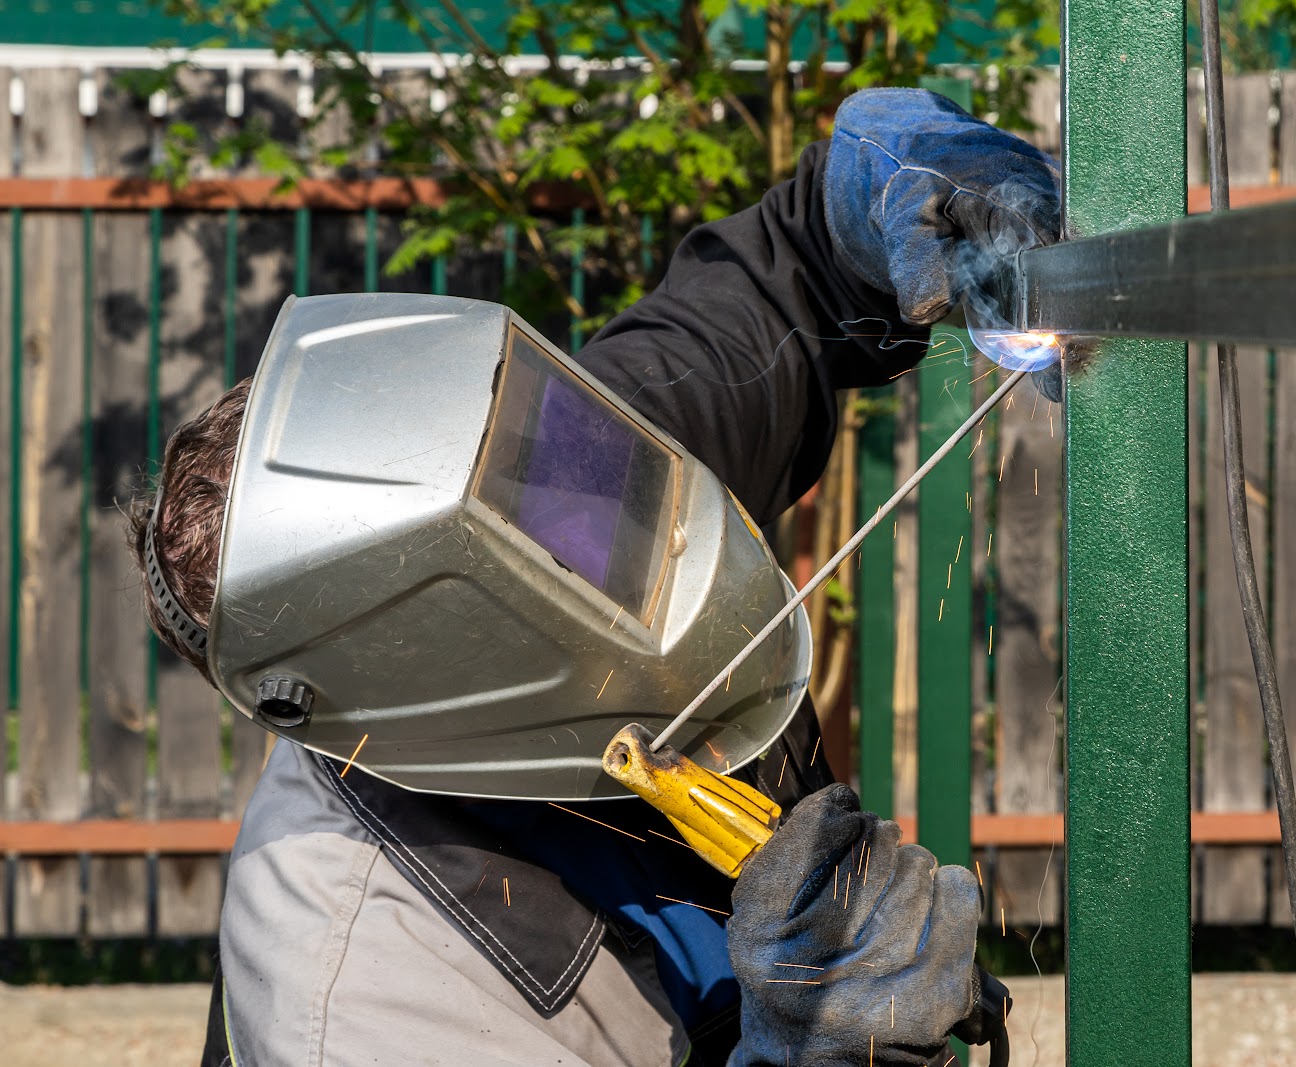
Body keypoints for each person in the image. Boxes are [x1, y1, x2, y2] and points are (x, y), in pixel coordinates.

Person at [131, 89, 1059, 1067]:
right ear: (426, 652)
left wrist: (879, 198)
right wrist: (813, 1051)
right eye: (526, 538)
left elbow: (783, 284)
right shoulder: (358, 997)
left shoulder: (551, 464)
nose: (581, 512)